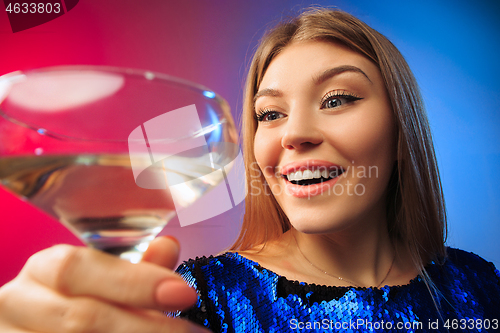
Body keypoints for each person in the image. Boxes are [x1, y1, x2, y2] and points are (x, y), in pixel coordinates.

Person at [0, 7, 498, 333]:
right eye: (270, 114)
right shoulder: (197, 299)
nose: (292, 134)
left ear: (400, 131)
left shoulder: (480, 285)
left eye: (337, 99)